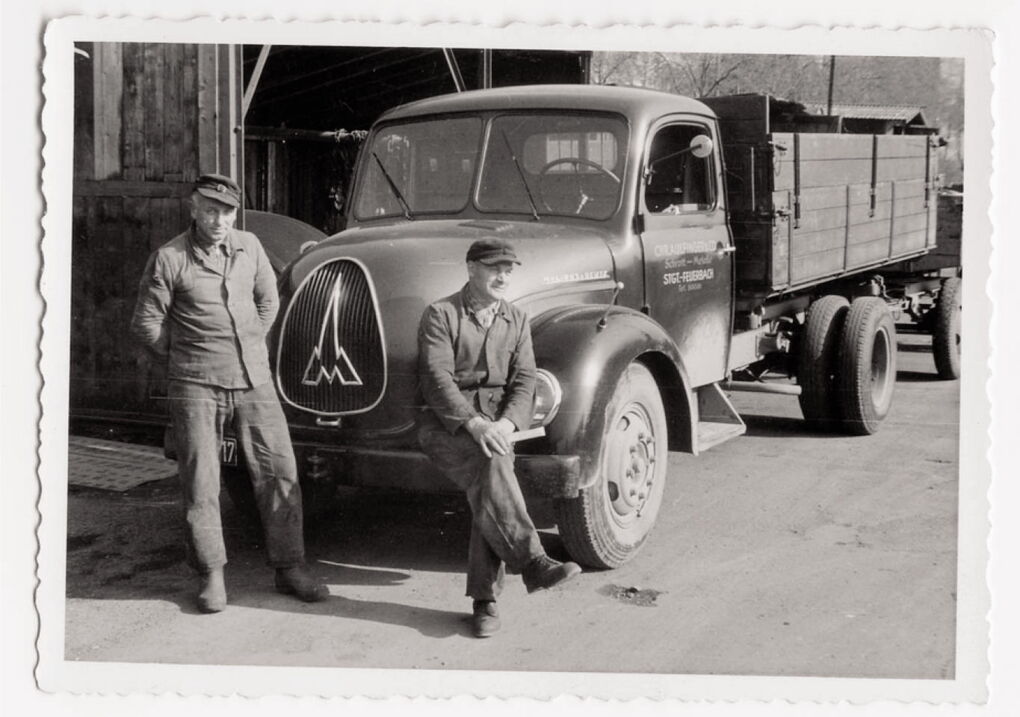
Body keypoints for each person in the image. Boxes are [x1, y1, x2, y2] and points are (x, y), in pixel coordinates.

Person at [130, 173, 328, 613]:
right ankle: (211, 574)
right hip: (196, 385)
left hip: (254, 380)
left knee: (279, 472)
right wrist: (190, 357)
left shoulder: (250, 246)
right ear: (193, 209)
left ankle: (290, 567)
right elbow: (146, 326)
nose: (219, 219)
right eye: (210, 210)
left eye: (227, 211)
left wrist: (251, 342)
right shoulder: (169, 258)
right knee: (202, 481)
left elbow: (269, 301)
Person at [417, 238, 581, 638]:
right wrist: (475, 424)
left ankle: (486, 603)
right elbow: (436, 380)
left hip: (498, 427)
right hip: (448, 427)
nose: (503, 276)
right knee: (490, 464)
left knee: (492, 468)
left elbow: (525, 379)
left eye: (509, 269)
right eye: (494, 268)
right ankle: (530, 566)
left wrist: (507, 424)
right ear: (471, 269)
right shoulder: (440, 314)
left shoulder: (517, 318)